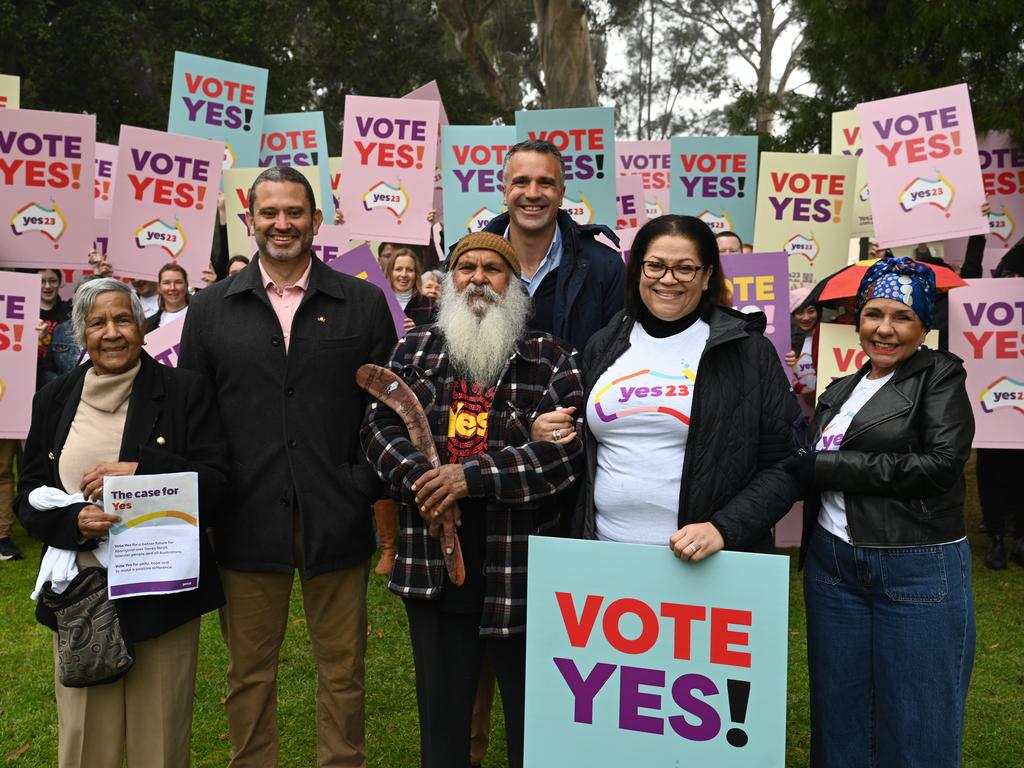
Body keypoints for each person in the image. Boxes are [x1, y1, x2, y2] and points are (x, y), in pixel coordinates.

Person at [178, 166, 397, 768]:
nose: (282, 223)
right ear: (249, 221)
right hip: (245, 518)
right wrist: (211, 503)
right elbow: (196, 419)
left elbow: (389, 410)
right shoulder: (210, 310)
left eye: (294, 212)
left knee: (344, 669)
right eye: (269, 212)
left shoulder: (362, 303)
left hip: (337, 514)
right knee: (248, 673)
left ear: (315, 221)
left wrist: (361, 485)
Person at [361, 231, 584, 768]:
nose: (478, 277)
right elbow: (376, 429)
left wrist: (470, 479)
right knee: (443, 724)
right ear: (449, 282)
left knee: (536, 725)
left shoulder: (551, 357)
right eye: (466, 268)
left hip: (523, 570)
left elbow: (563, 458)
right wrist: (425, 479)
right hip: (433, 565)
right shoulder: (413, 350)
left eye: (493, 268)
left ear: (514, 284)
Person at [15, 277, 228, 767]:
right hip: (83, 600)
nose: (112, 333)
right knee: (87, 741)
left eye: (123, 319)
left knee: (160, 741)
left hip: (163, 595)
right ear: (81, 333)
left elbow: (219, 485)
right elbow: (27, 498)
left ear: (142, 327)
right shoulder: (54, 399)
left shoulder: (184, 391)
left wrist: (141, 472)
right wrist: (74, 521)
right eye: (97, 323)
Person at [791, 256, 975, 767]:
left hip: (914, 565)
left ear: (924, 326)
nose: (885, 329)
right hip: (833, 567)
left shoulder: (940, 375)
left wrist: (828, 465)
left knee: (919, 720)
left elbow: (938, 466)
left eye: (903, 317)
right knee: (839, 713)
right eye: (874, 314)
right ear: (857, 318)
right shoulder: (840, 390)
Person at [561, 214, 800, 557]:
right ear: (638, 271)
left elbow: (788, 462)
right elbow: (583, 446)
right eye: (655, 265)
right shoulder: (603, 344)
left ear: (706, 277)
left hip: (705, 565)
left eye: (685, 268)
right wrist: (553, 433)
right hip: (604, 556)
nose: (668, 280)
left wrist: (724, 528)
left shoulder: (747, 350)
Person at [479, 139, 624, 352]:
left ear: (561, 193)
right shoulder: (468, 265)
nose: (533, 193)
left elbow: (615, 354)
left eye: (545, 182)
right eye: (521, 181)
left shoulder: (606, 267)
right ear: (504, 192)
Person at [962, 237, 1024, 568]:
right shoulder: (983, 302)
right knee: (992, 475)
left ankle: (1021, 537)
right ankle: (997, 538)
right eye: (1009, 275)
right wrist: (977, 234)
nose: (1014, 282)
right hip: (992, 414)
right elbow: (968, 275)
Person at [785, 286, 821, 415]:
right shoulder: (786, 342)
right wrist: (799, 388)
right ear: (792, 314)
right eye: (799, 312)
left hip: (823, 411)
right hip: (796, 411)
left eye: (811, 311)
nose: (806, 317)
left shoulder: (825, 338)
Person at [36, 268, 72, 389]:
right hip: (27, 374)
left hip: (58, 383)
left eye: (53, 281)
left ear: (60, 282)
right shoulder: (23, 311)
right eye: (41, 281)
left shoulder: (70, 311)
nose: (47, 286)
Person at [387, 247, 436, 331]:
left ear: (416, 274)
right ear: (390, 273)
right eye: (398, 269)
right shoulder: (380, 302)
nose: (404, 274)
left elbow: (435, 341)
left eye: (409, 270)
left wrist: (416, 333)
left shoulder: (430, 306)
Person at [145, 264, 190, 332]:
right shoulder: (148, 325)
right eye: (166, 283)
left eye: (178, 282)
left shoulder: (200, 317)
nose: (172, 288)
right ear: (159, 287)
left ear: (186, 285)